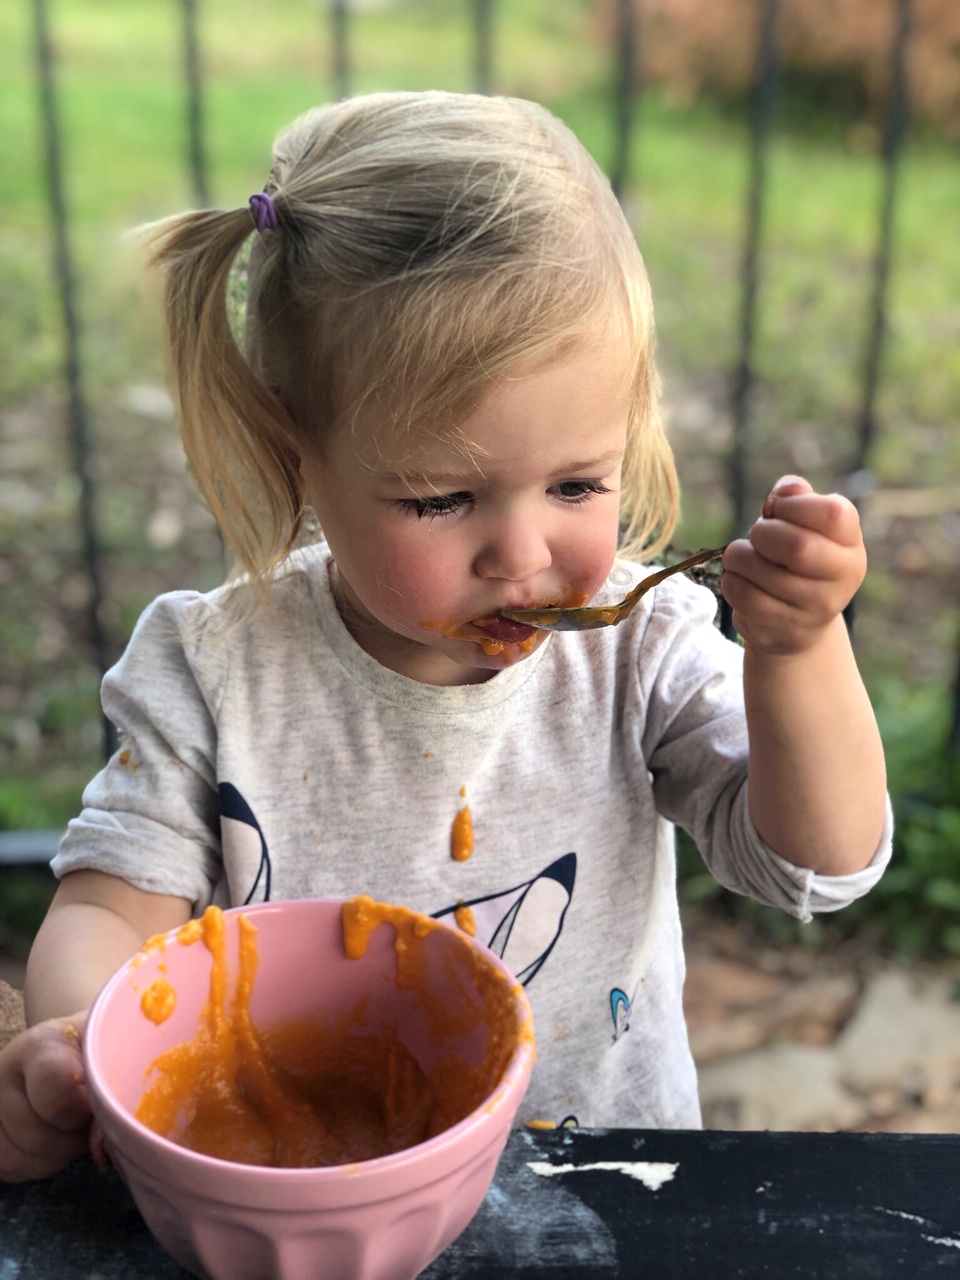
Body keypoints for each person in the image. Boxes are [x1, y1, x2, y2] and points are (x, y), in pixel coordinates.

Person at [0, 91, 889, 1183]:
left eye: (577, 482)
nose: (522, 552)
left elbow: (816, 864)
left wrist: (800, 653)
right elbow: (108, 902)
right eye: (440, 498)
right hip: (303, 1183)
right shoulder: (214, 670)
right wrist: (83, 1041)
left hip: (599, 1186)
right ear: (298, 459)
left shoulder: (638, 642)